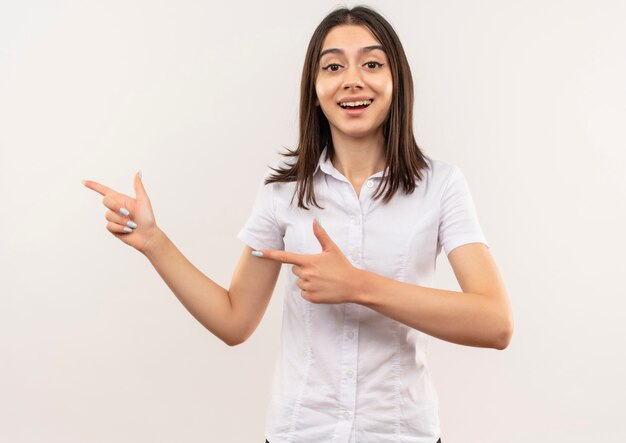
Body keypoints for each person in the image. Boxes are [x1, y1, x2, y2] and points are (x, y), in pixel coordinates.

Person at [83, 5, 513, 443]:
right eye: (333, 67)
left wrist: (357, 285)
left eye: (371, 63)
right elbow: (235, 321)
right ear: (315, 87)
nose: (352, 80)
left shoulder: (440, 186)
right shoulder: (282, 195)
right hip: (300, 431)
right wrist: (155, 242)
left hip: (402, 433)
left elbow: (495, 323)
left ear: (395, 80)